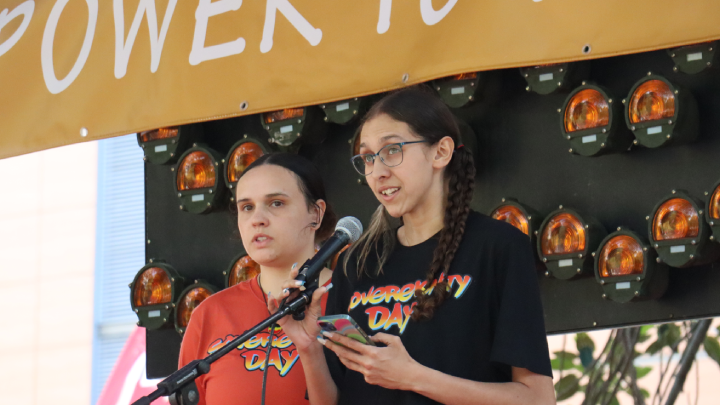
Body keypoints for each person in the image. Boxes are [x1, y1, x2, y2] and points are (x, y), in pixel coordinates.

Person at [271, 86, 556, 405]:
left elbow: (537, 399)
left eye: (392, 150)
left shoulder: (497, 248)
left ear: (441, 152)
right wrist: (308, 348)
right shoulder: (357, 262)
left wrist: (413, 377)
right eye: (367, 158)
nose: (377, 172)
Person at [178, 153, 337, 405]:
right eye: (247, 207)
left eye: (276, 203)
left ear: (315, 214)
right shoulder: (209, 314)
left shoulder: (353, 299)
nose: (257, 220)